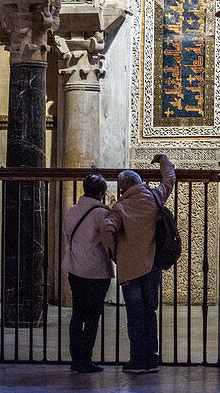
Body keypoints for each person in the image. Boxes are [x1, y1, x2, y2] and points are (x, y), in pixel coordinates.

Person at [100, 154, 176, 374]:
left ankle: (137, 360)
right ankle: (152, 358)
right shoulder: (154, 197)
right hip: (152, 264)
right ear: (140, 182)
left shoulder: (120, 207)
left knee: (135, 314)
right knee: (150, 312)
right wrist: (163, 160)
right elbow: (169, 179)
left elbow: (107, 230)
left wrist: (115, 254)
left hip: (130, 269)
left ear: (122, 188)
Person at [62, 173, 113, 373]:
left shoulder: (72, 211)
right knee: (92, 317)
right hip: (97, 272)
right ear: (102, 192)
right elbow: (109, 241)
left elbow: (68, 237)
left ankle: (76, 359)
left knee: (78, 314)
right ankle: (85, 359)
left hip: (75, 269)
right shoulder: (102, 213)